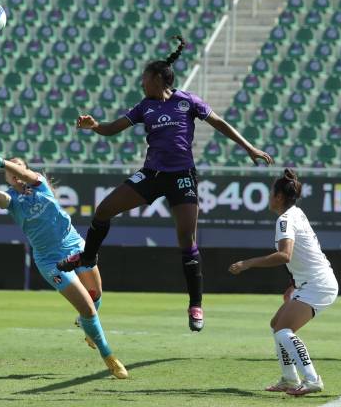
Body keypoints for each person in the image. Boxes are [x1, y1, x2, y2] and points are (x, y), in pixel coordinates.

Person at [57, 35, 274, 332]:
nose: (141, 84)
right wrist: (94, 126)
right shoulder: (144, 106)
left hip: (182, 176)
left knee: (187, 239)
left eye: (145, 79)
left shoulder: (188, 101)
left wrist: (248, 147)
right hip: (152, 175)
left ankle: (196, 304)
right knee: (104, 209)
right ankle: (88, 256)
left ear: (158, 79)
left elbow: (220, 123)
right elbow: (112, 129)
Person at [0, 149, 128, 378]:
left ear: (25, 170)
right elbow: (2, 199)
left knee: (95, 297)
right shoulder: (12, 199)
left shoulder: (39, 184)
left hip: (74, 245)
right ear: (6, 177)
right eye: (9, 170)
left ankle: (87, 328)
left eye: (17, 167)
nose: (13, 172)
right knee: (86, 307)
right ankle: (109, 358)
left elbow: (24, 174)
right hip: (49, 260)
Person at [228, 169, 338, 396]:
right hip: (312, 282)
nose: (269, 197)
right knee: (276, 324)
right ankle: (289, 378)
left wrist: (247, 263)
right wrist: (295, 282)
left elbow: (285, 255)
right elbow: (302, 254)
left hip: (318, 284)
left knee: (283, 330)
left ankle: (312, 378)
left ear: (279, 197)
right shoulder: (296, 213)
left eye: (271, 193)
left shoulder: (285, 220)